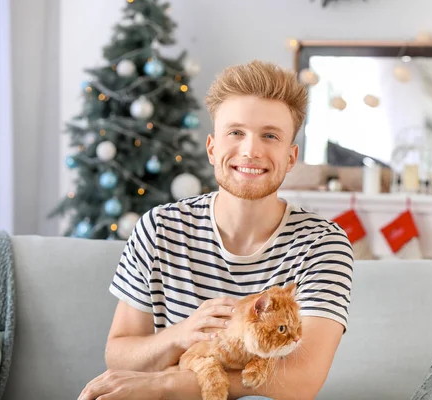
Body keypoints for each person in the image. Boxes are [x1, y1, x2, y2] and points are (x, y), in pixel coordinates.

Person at [78, 60, 354, 400]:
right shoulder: (159, 228)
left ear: (291, 156)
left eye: (270, 135)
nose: (251, 150)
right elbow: (118, 354)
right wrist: (180, 334)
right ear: (212, 148)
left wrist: (167, 384)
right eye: (235, 132)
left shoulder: (323, 245)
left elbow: (302, 378)